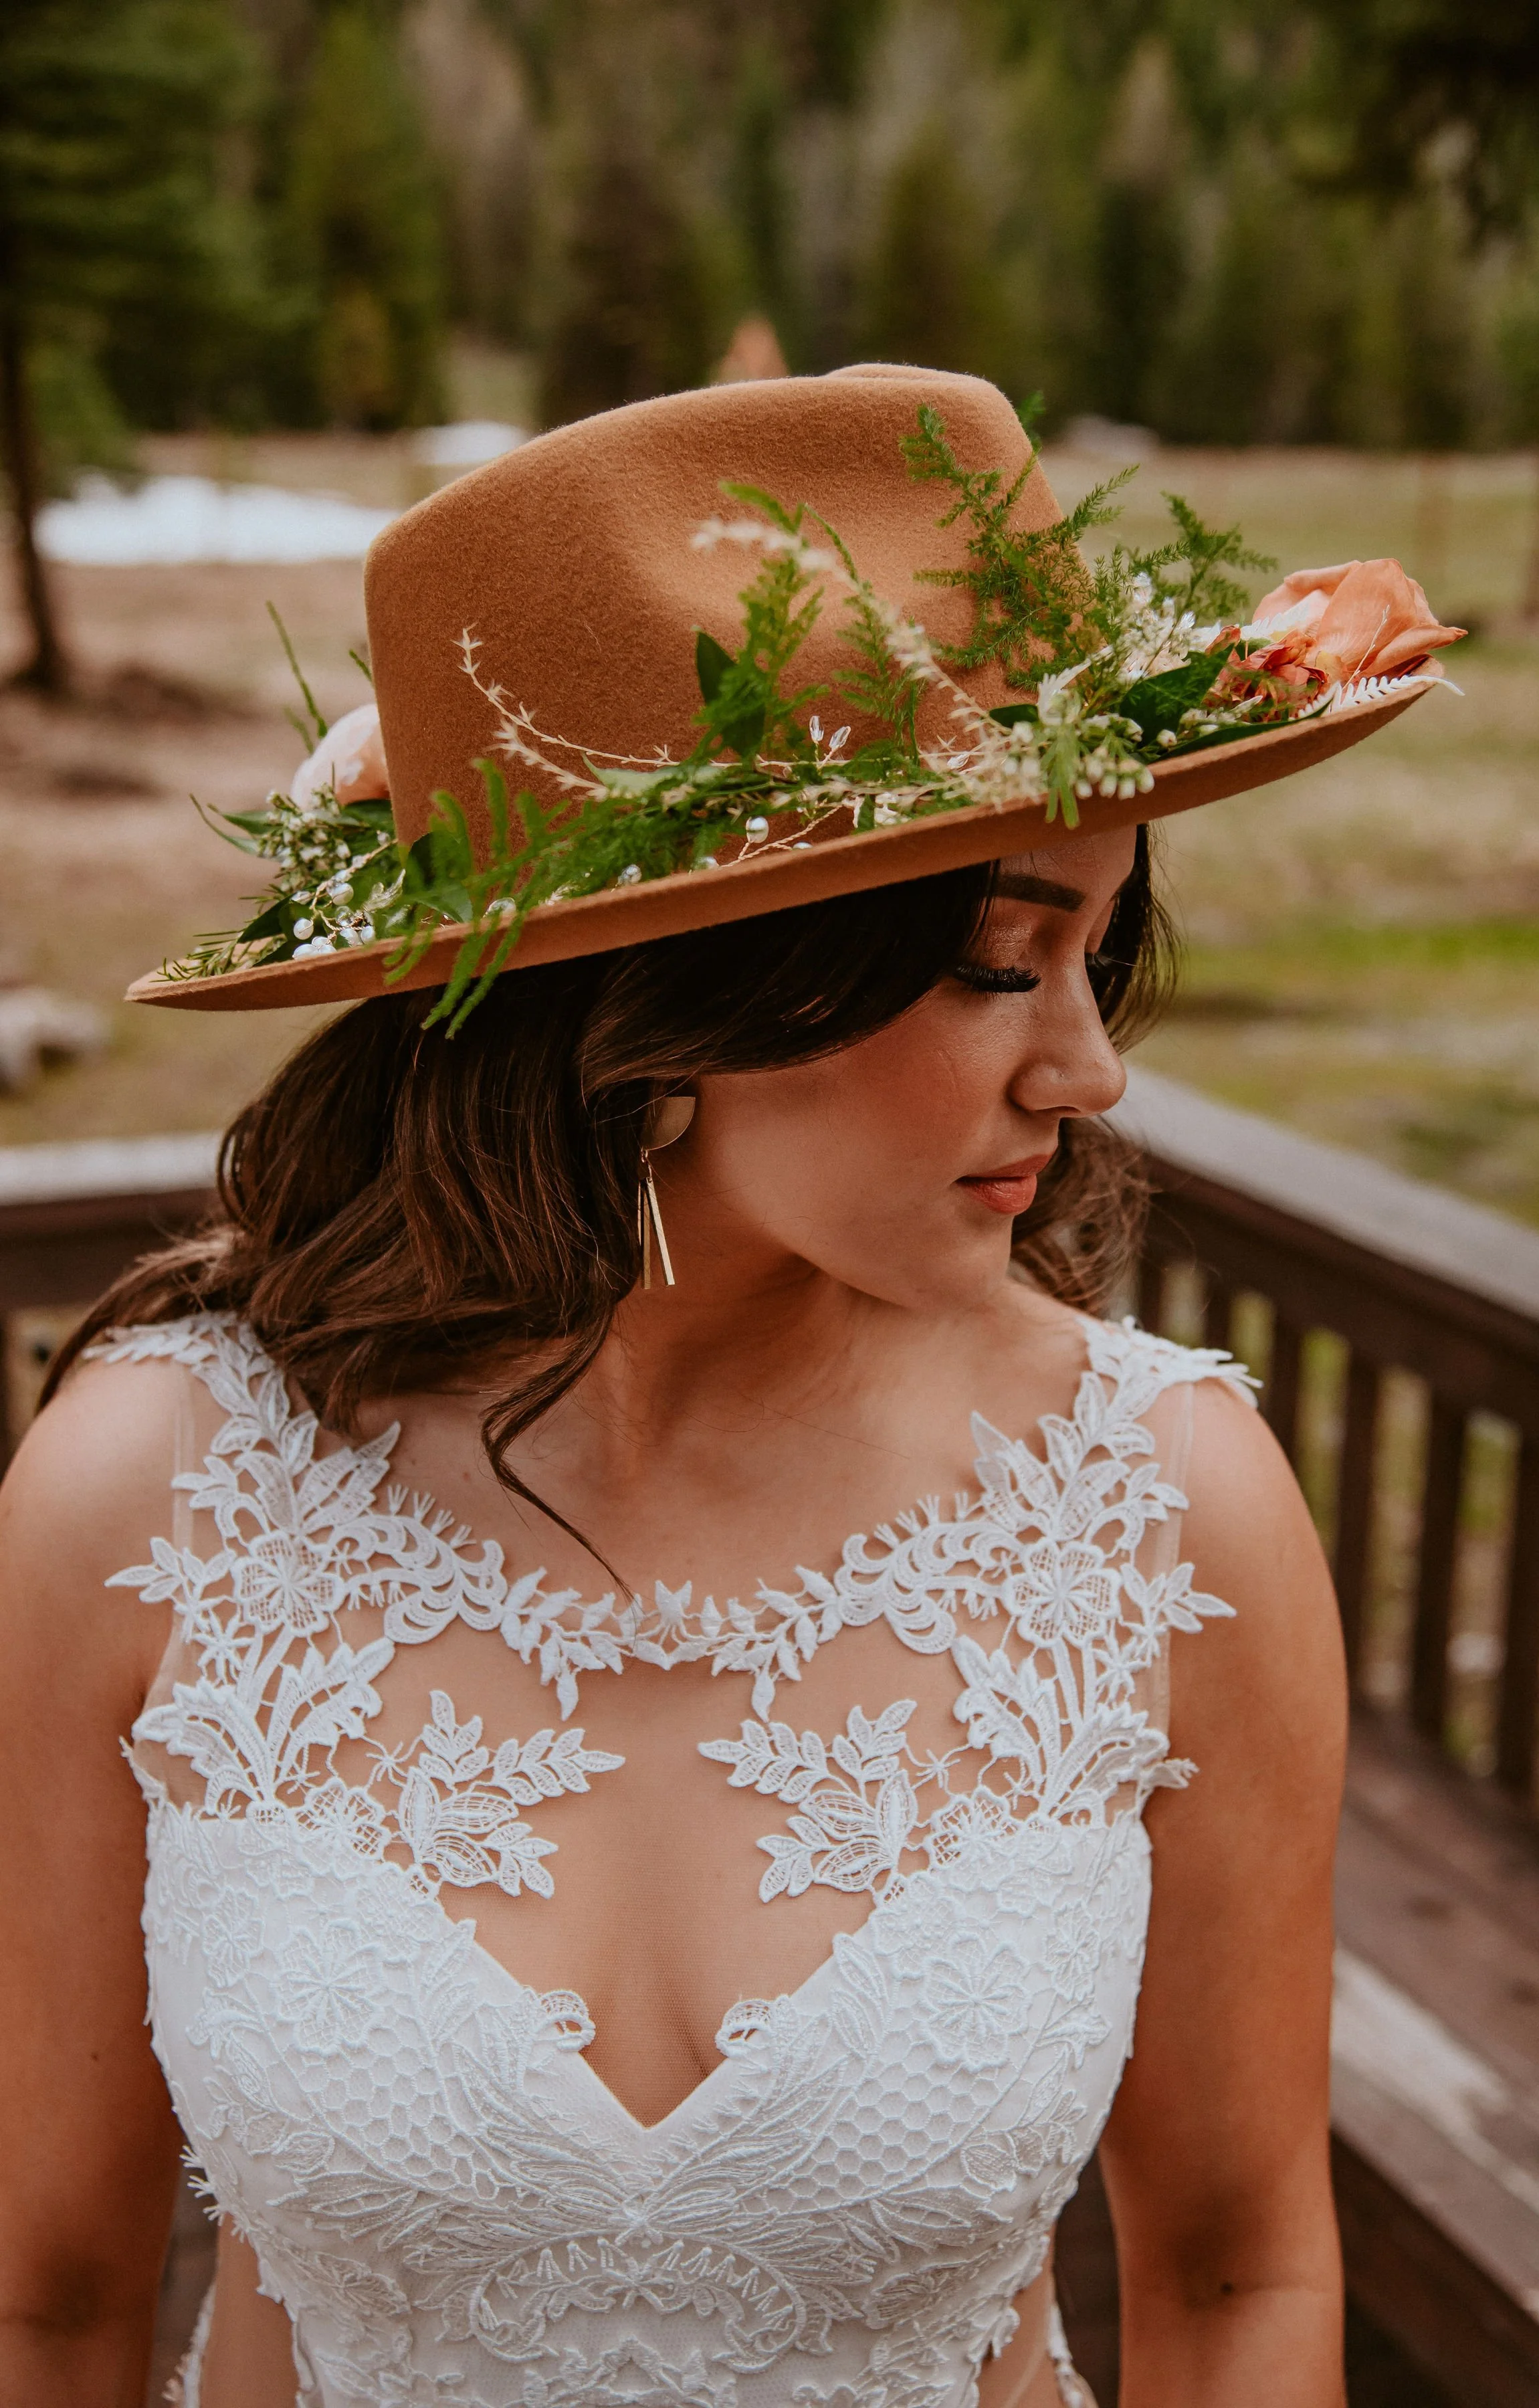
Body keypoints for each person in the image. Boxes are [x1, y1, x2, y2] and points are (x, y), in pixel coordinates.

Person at [0, 366, 1462, 2408]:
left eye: (1096, 955)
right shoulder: (143, 1495)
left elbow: (1236, 2283)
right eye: (993, 961)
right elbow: (46, 2309)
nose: (1088, 1068)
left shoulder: (1162, 1505)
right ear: (670, 993)